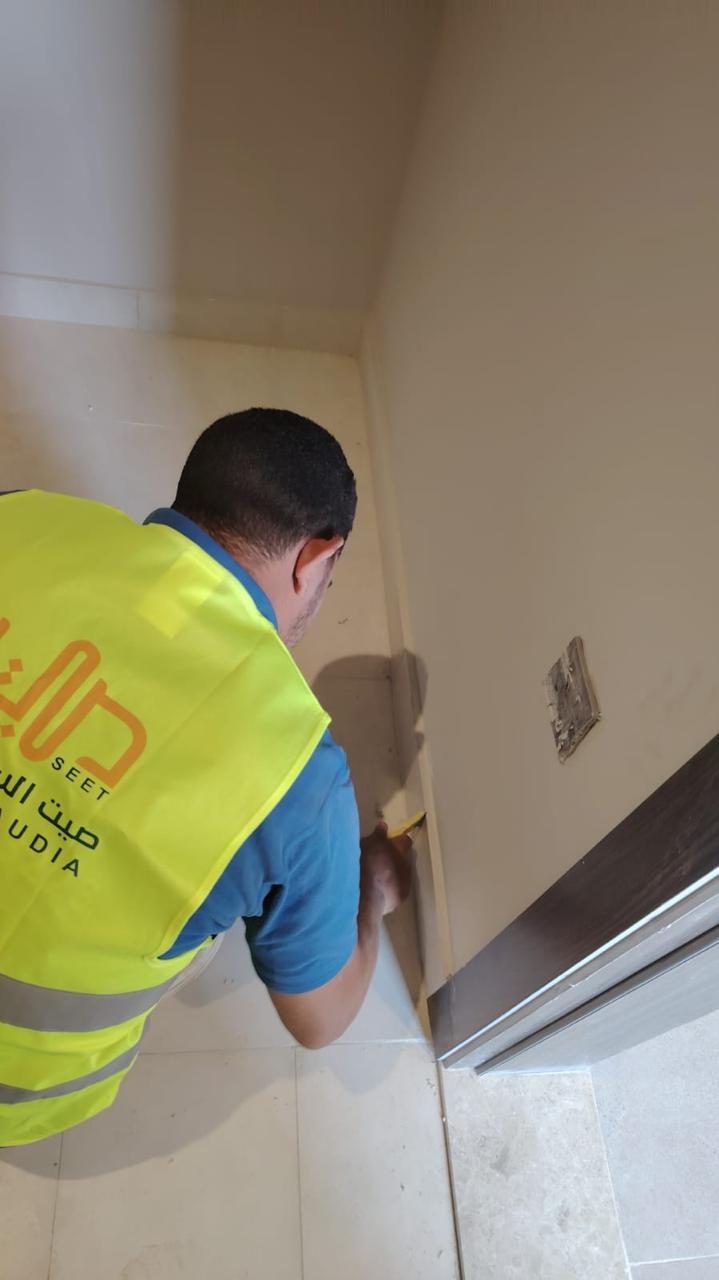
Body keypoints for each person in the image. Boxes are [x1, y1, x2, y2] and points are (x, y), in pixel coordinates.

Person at [0, 408, 412, 1147]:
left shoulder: (22, 519)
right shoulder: (298, 774)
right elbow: (319, 1021)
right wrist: (373, 893)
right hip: (17, 1092)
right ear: (317, 555)